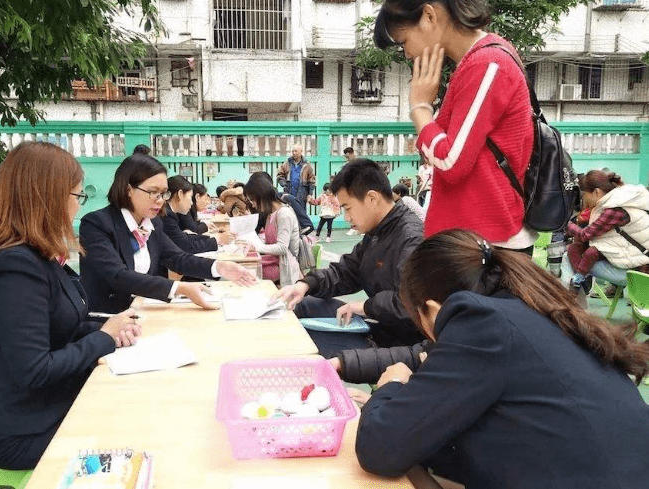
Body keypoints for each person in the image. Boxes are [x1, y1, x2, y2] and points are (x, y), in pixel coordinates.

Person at [354, 229, 649, 487]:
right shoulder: (536, 314)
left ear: (431, 309)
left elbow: (380, 448)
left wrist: (391, 388)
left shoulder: (481, 324)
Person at [0, 142, 141, 470]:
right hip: (22, 429)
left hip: (46, 405)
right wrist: (103, 338)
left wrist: (109, 329)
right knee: (139, 431)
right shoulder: (14, 267)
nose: (78, 207)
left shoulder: (38, 256)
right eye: (77, 196)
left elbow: (62, 325)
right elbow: (35, 370)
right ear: (48, 197)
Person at [375, 0, 536, 254]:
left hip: (486, 246)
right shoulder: (477, 62)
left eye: (404, 41)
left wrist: (419, 108)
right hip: (472, 240)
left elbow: (450, 160)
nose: (407, 53)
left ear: (429, 16)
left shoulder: (487, 64)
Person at [274, 159, 425, 358]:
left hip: (398, 344)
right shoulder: (378, 231)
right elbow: (347, 270)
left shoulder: (411, 237)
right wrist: (306, 284)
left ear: (372, 198)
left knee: (304, 342)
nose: (346, 217)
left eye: (347, 208)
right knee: (301, 303)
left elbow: (412, 303)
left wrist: (365, 307)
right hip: (377, 325)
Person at [79, 153, 256, 314]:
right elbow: (118, 275)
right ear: (128, 189)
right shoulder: (97, 224)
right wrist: (179, 288)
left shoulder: (152, 223)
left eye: (163, 194)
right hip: (107, 319)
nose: (159, 201)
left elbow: (177, 258)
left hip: (144, 310)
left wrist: (220, 266)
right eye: (153, 192)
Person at [567, 169, 649, 290]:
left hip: (638, 270)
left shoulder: (615, 210)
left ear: (596, 192)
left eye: (584, 195)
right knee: (574, 249)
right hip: (627, 256)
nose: (584, 199)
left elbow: (586, 234)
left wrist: (565, 224)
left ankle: (578, 284)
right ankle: (581, 280)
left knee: (570, 260)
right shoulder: (617, 200)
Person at [243, 173, 302, 286]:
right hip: (275, 263)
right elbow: (269, 242)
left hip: (283, 267)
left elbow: (282, 248)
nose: (253, 205)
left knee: (246, 275)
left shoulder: (284, 214)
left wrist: (258, 247)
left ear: (261, 196)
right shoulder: (271, 214)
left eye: (253, 201)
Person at [162, 176, 232, 254]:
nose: (192, 203)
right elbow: (186, 246)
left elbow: (185, 238)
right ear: (180, 194)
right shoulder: (167, 215)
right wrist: (216, 240)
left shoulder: (170, 213)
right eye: (190, 197)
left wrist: (214, 238)